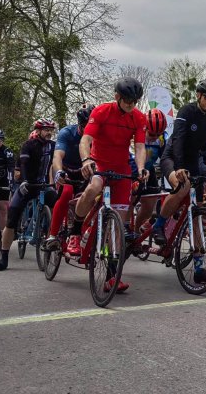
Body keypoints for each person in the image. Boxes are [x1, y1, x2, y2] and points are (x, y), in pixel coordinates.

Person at [71, 79, 148, 291]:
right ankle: (75, 232)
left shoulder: (139, 117)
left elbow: (140, 147)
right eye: (128, 101)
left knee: (118, 226)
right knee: (93, 188)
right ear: (117, 97)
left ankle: (112, 277)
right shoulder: (102, 111)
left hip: (122, 168)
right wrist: (86, 160)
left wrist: (141, 168)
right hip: (100, 163)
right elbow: (85, 140)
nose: (132, 105)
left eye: (135, 101)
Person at [155, 79, 206, 285]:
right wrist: (178, 167)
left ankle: (198, 267)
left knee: (197, 209)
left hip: (192, 161)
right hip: (172, 157)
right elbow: (177, 139)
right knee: (183, 186)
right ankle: (158, 226)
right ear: (198, 95)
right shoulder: (187, 111)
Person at [0, 119, 57, 271]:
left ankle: (53, 237)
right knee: (11, 219)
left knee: (57, 203)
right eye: (45, 129)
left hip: (43, 186)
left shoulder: (53, 146)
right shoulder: (29, 145)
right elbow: (23, 164)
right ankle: (4, 256)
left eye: (51, 130)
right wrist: (24, 181)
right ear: (38, 130)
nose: (49, 132)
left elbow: (56, 164)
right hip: (27, 185)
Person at [46, 104, 94, 252]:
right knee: (66, 194)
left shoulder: (99, 134)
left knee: (90, 198)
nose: (89, 130)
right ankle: (53, 236)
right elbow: (57, 155)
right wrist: (59, 171)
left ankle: (80, 234)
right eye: (85, 126)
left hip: (84, 172)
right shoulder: (67, 132)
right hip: (66, 171)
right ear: (80, 124)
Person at [132, 108, 169, 238]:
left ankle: (136, 231)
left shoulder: (161, 139)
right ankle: (124, 229)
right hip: (130, 170)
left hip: (148, 171)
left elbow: (166, 160)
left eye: (158, 134)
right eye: (152, 134)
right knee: (128, 203)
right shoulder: (134, 135)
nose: (155, 138)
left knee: (148, 207)